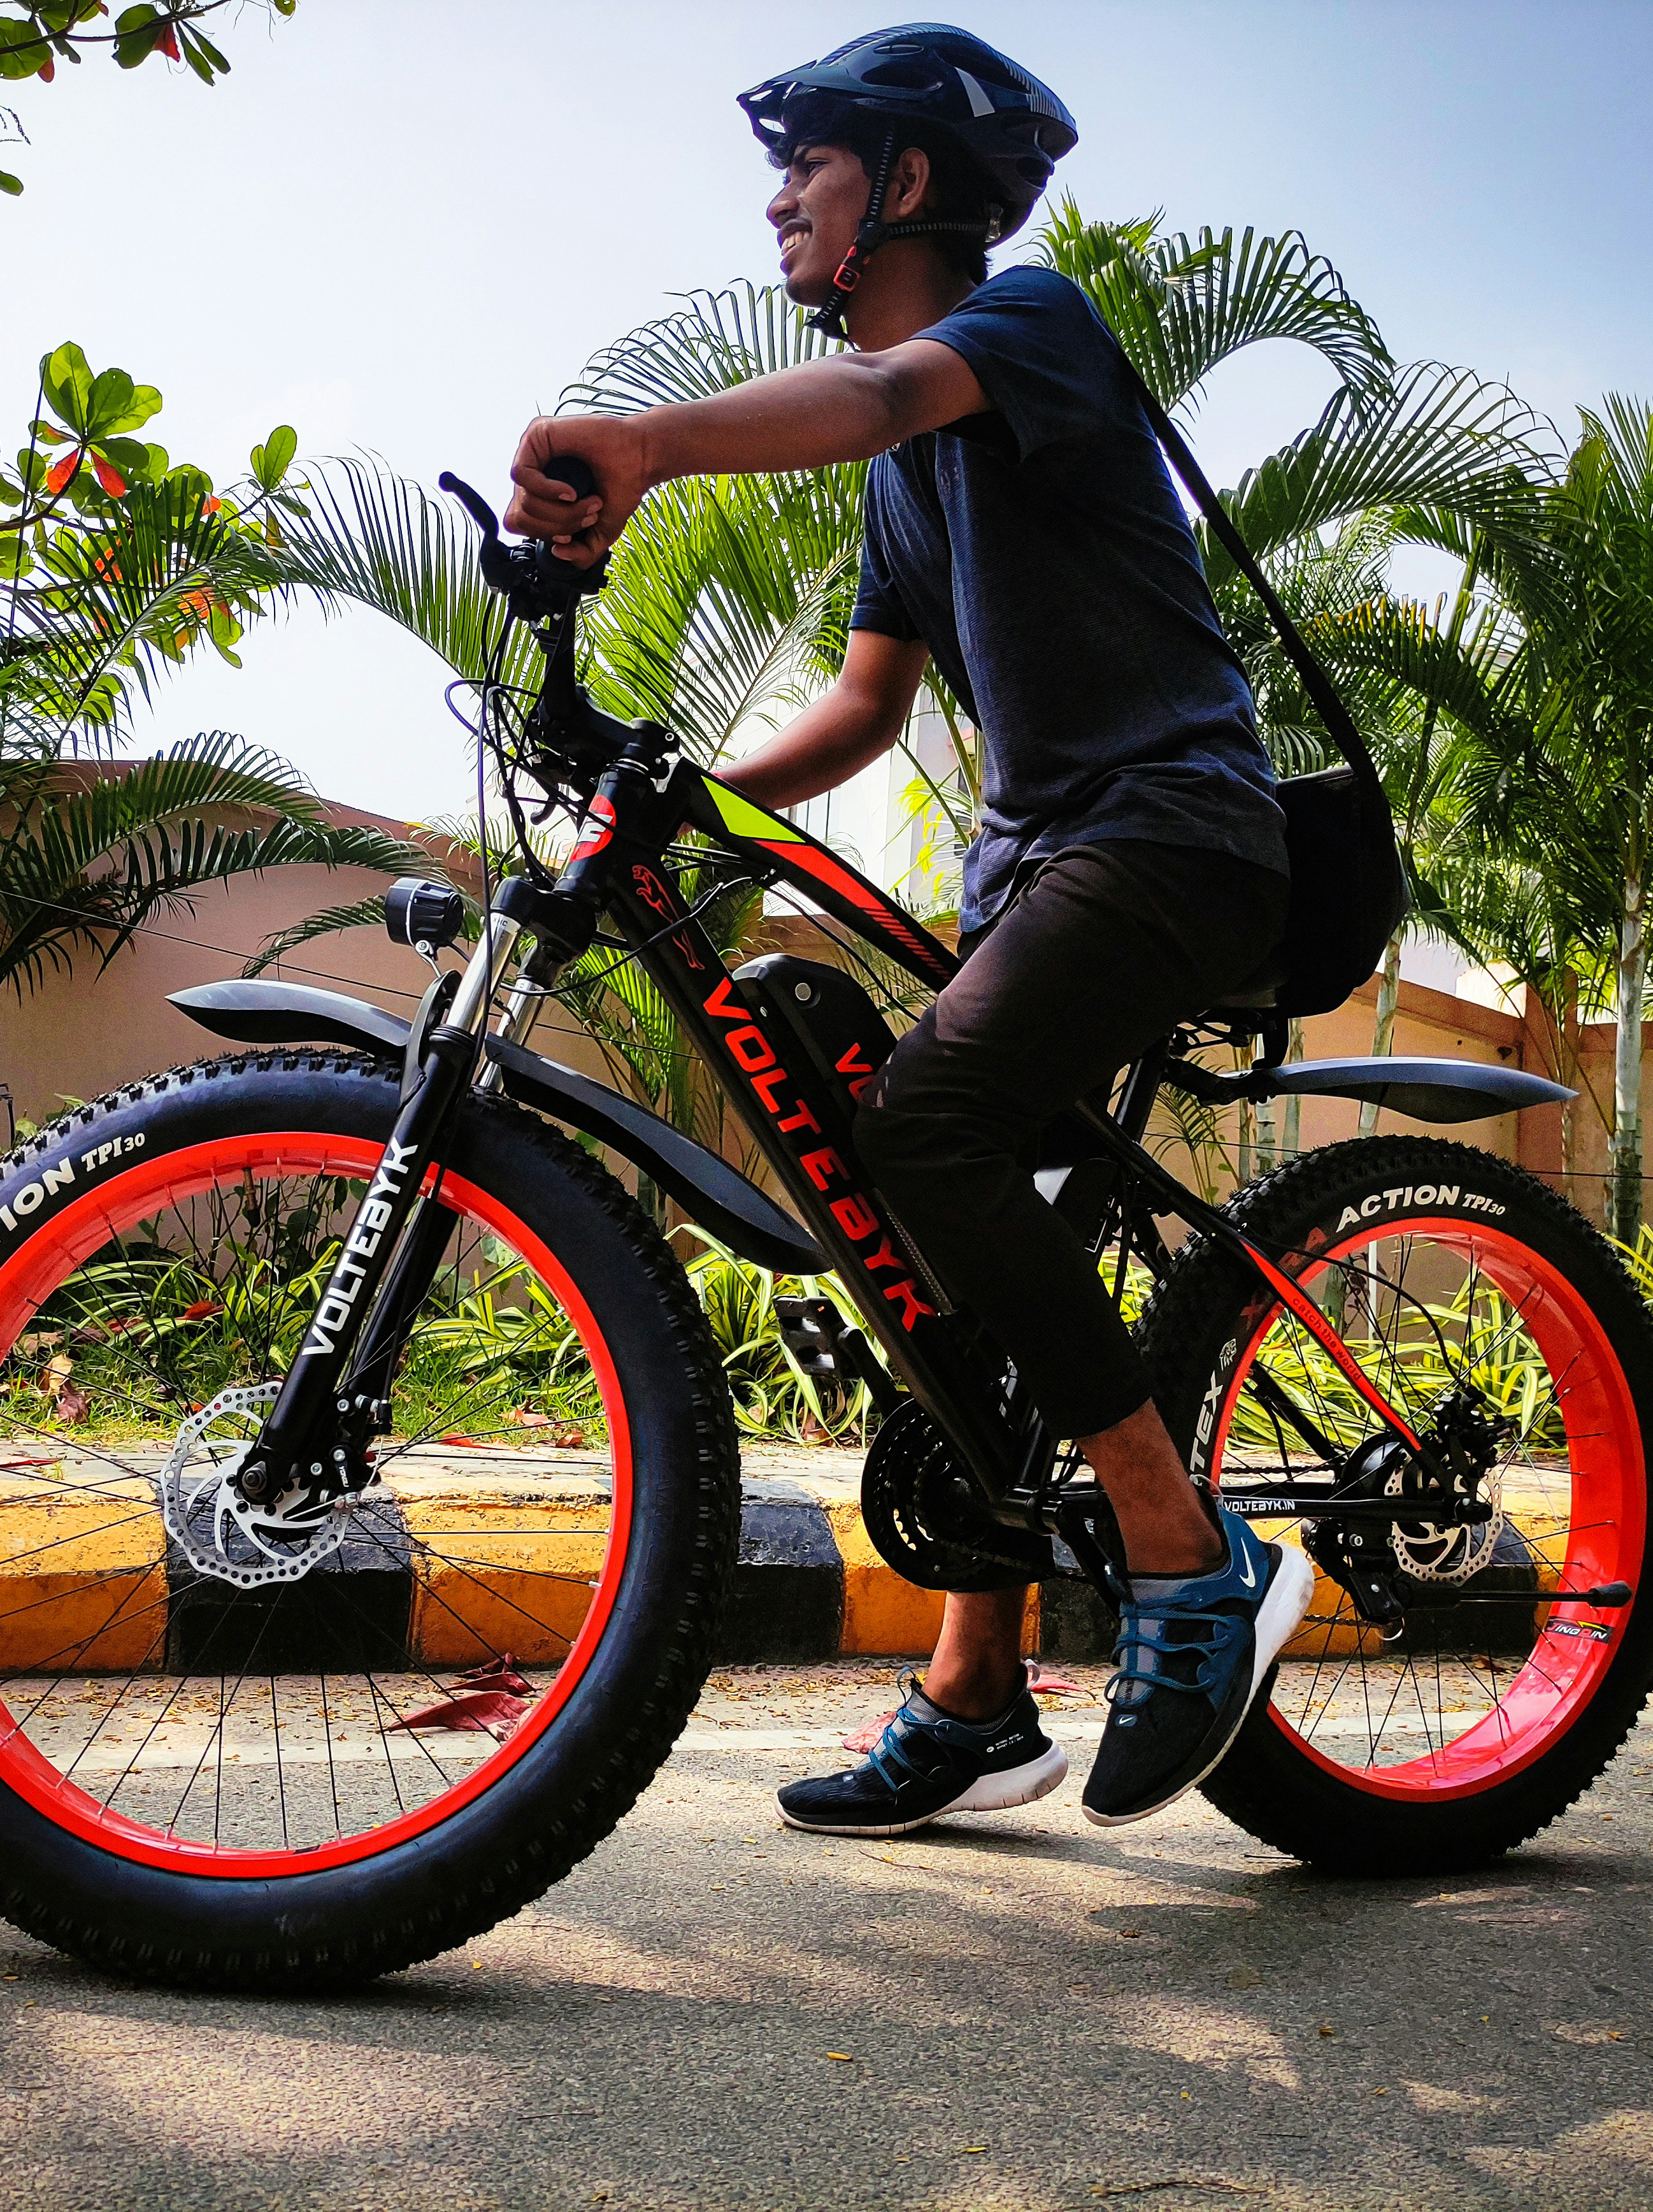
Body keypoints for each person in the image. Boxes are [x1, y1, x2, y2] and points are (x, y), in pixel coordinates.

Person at [502, 24, 1315, 1840]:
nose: (779, 197)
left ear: (914, 187)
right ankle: (975, 1694)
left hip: (1172, 830)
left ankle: (1189, 1560)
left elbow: (876, 400)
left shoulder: (1024, 331)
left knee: (925, 1124)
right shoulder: (900, 466)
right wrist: (692, 793)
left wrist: (642, 441)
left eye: (812, 164)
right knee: (960, 1247)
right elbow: (869, 707)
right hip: (1043, 870)